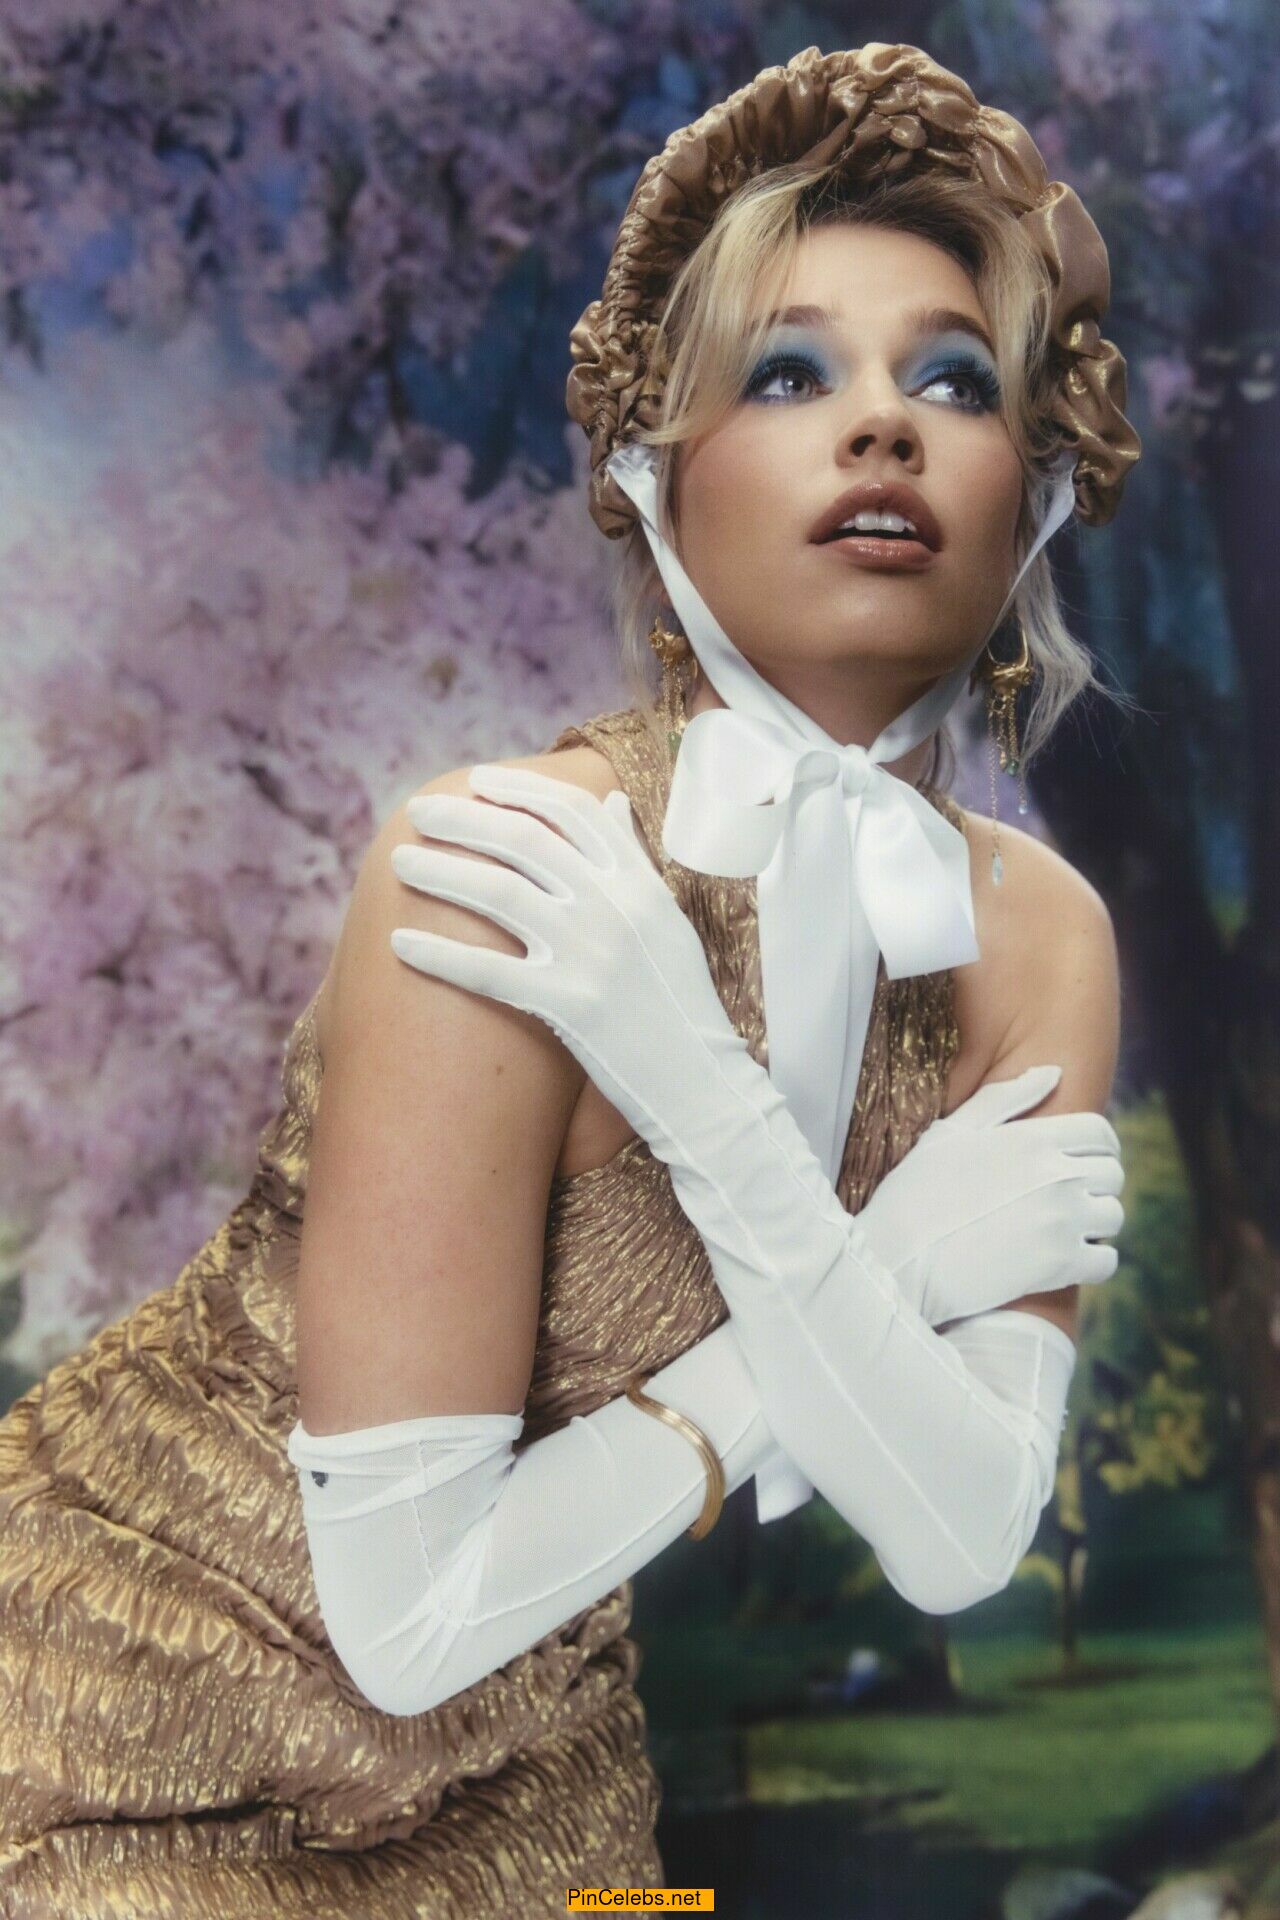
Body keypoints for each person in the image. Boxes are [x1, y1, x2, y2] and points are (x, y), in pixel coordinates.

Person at [0, 41, 1138, 1917]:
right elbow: (406, 1618)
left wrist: (699, 1097)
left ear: (1038, 495)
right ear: (653, 477)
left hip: (531, 1758)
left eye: (954, 380)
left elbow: (956, 1539)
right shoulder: (501, 871)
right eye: (790, 372)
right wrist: (872, 1256)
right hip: (112, 1720)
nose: (884, 426)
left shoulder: (1040, 935)